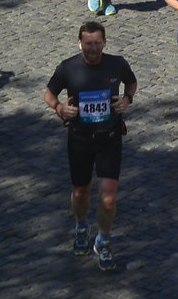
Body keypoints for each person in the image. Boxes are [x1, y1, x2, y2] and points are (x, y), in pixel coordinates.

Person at [43, 21, 137, 269]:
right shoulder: (68, 68)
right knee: (80, 191)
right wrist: (59, 107)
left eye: (97, 43)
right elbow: (49, 93)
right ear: (79, 43)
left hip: (109, 138)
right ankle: (81, 226)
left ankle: (103, 241)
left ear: (104, 43)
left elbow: (132, 83)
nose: (92, 48)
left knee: (108, 198)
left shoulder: (117, 64)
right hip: (80, 139)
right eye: (87, 44)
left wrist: (127, 99)